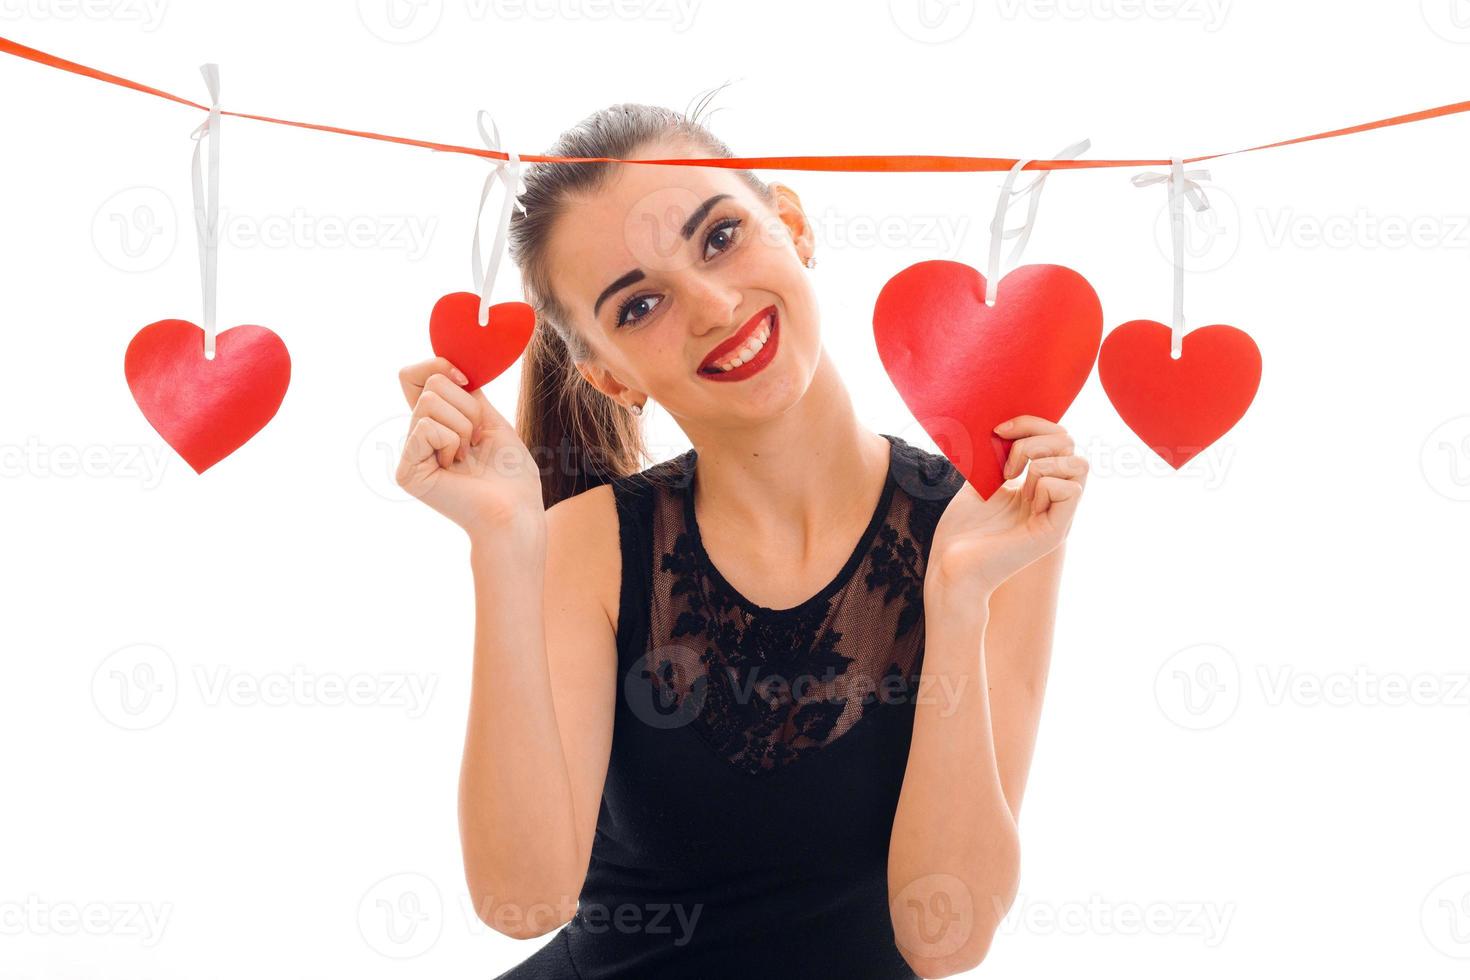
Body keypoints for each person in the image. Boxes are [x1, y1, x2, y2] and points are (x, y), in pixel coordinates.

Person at [393, 95, 1088, 979]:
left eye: (719, 237)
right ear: (608, 373)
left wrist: (956, 602)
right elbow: (521, 901)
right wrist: (500, 542)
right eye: (641, 305)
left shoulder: (987, 525)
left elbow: (943, 939)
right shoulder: (587, 548)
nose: (716, 306)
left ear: (791, 224)